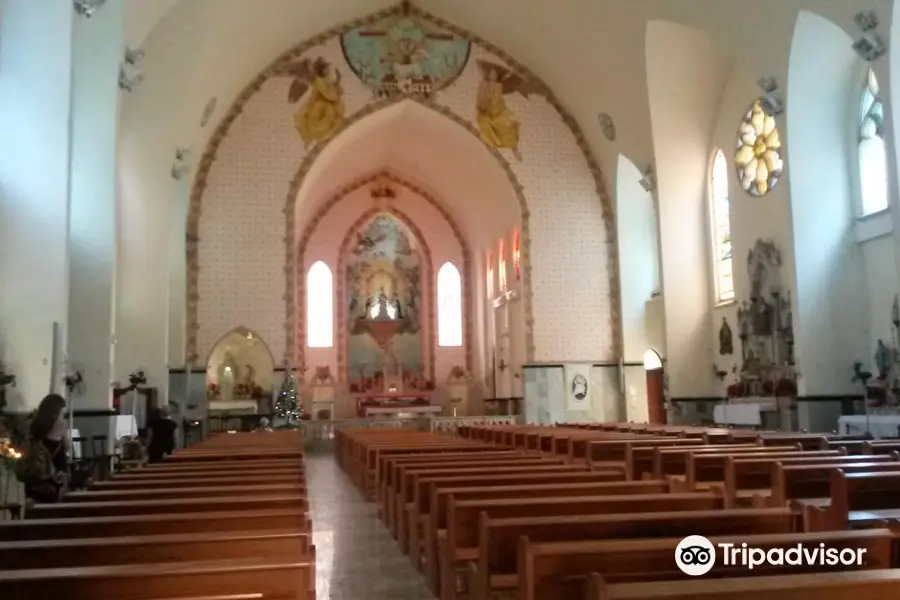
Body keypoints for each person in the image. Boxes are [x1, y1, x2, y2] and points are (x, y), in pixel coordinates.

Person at [17, 394, 69, 503]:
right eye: (63, 415)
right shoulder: (62, 427)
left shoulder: (31, 427)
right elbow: (68, 449)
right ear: (55, 415)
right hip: (54, 487)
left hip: (33, 487)